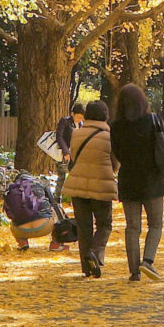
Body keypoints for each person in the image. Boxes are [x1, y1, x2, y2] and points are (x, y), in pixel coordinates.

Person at [110, 83, 164, 280]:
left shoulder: (116, 127)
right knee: (155, 223)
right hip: (152, 179)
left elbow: (118, 154)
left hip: (128, 179)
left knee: (132, 227)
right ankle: (148, 261)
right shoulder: (153, 120)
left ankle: (134, 271)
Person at [63, 100, 117, 279]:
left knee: (84, 228)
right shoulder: (109, 136)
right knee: (104, 224)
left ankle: (86, 268)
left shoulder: (76, 133)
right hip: (101, 186)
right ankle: (95, 252)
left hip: (77, 186)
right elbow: (115, 162)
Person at [2, 172, 59, 249]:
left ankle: (22, 243)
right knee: (55, 209)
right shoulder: (40, 183)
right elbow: (54, 204)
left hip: (21, 231)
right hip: (45, 227)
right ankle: (56, 243)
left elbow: (9, 213)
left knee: (14, 215)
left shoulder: (12, 189)